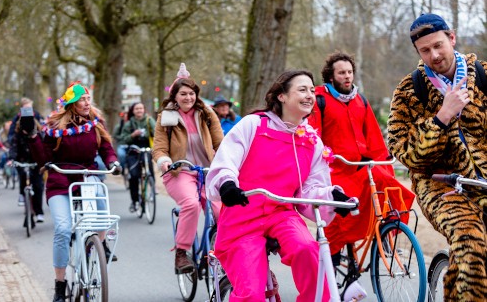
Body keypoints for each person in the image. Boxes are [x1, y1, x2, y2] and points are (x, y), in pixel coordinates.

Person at [206, 69, 349, 302]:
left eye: (312, 90)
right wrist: (227, 185)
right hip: (242, 216)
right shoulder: (253, 124)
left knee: (308, 250)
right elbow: (226, 161)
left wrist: (332, 197)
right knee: (251, 293)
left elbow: (310, 189)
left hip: (281, 214)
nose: (310, 95)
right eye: (302, 89)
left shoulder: (311, 140)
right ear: (281, 96)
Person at [387, 13, 487, 301]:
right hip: (439, 184)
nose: (434, 55)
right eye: (425, 50)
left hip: (482, 178)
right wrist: (442, 117)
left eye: (438, 45)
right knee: (469, 239)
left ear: (452, 38)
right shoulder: (409, 90)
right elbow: (407, 155)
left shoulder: (481, 75)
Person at [307, 51, 415, 261]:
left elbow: (374, 137)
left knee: (389, 186)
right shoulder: (319, 100)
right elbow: (313, 138)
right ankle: (334, 253)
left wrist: (383, 163)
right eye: (341, 73)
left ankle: (385, 231)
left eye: (349, 72)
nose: (347, 76)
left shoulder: (360, 101)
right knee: (339, 208)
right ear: (331, 77)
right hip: (333, 170)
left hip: (359, 167)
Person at [26, 81, 121, 302]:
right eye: (82, 99)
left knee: (101, 206)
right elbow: (44, 158)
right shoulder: (55, 126)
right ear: (71, 103)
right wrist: (33, 138)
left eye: (88, 98)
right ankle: (60, 284)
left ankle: (101, 244)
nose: (87, 102)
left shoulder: (96, 123)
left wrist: (113, 162)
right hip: (60, 180)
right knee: (62, 228)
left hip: (87, 177)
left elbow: (106, 148)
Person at [153, 62, 224, 274]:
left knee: (223, 212)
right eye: (183, 94)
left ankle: (222, 250)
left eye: (191, 94)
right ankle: (182, 253)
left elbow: (221, 143)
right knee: (191, 205)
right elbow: (159, 147)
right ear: (175, 96)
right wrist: (164, 160)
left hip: (207, 171)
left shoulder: (206, 114)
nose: (188, 98)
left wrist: (228, 163)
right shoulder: (167, 117)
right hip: (179, 171)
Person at [9, 109, 45, 225]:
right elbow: (13, 148)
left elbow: (43, 147)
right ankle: (23, 198)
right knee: (23, 178)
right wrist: (12, 159)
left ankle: (39, 212)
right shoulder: (17, 134)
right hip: (22, 162)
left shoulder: (38, 132)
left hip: (36, 163)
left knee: (38, 187)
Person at [120, 102, 155, 212]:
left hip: (146, 149)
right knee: (134, 175)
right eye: (137, 109)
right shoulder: (129, 124)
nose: (139, 110)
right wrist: (133, 135)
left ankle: (152, 188)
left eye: (141, 108)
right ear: (133, 111)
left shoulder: (150, 121)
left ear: (144, 109)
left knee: (149, 167)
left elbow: (157, 134)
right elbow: (123, 138)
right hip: (133, 151)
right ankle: (135, 200)